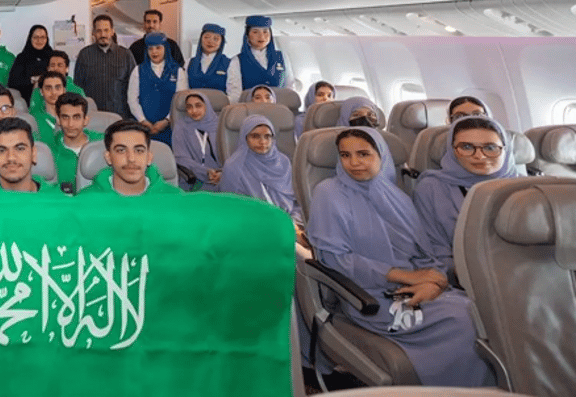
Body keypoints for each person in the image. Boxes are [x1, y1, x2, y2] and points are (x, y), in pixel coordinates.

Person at [307, 128, 495, 387]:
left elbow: (424, 252)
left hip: (413, 286)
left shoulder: (396, 196)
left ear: (382, 156)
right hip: (369, 295)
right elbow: (334, 259)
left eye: (364, 154)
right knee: (465, 320)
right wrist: (406, 276)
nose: (354, 162)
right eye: (345, 155)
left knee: (483, 312)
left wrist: (435, 281)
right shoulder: (328, 193)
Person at [413, 117, 516, 272]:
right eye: (466, 147)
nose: (479, 156)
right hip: (462, 274)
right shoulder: (431, 188)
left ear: (505, 149)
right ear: (452, 150)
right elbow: (433, 248)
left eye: (490, 147)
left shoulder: (525, 187)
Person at [219, 115, 303, 233]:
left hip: (288, 222)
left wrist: (292, 221)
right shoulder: (233, 166)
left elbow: (296, 202)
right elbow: (231, 208)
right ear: (245, 138)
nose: (263, 142)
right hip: (252, 227)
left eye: (267, 136)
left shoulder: (284, 162)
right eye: (255, 136)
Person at [85, 120, 178, 196]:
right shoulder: (84, 202)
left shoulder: (177, 200)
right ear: (108, 157)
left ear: (149, 158)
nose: (131, 159)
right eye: (121, 150)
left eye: (139, 151)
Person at [74, 14, 135, 117]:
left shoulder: (126, 55)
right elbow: (78, 86)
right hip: (93, 115)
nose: (103, 34)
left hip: (120, 115)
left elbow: (134, 87)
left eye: (106, 30)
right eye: (99, 31)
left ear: (112, 31)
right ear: (93, 33)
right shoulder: (84, 54)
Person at [127, 32, 179, 146]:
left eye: (158, 48)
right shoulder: (137, 70)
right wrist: (143, 120)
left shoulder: (178, 71)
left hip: (171, 127)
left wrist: (166, 121)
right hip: (144, 127)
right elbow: (132, 100)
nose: (154, 52)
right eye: (150, 49)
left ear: (165, 48)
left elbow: (180, 102)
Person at [0, 117, 57, 193]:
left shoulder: (57, 197)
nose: (11, 158)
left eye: (20, 149)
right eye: (1, 150)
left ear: (33, 153)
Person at [226, 16, 287, 102]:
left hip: (278, 107)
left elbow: (289, 86)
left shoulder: (281, 56)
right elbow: (235, 93)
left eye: (265, 32)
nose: (261, 36)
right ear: (247, 35)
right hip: (249, 107)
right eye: (255, 32)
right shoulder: (237, 60)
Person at [171, 92, 222, 191]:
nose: (193, 111)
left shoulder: (220, 124)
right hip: (195, 178)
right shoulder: (181, 127)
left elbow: (232, 155)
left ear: (207, 106)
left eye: (198, 106)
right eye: (189, 107)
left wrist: (223, 173)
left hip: (221, 177)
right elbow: (180, 158)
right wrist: (205, 172)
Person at [51, 93, 103, 188]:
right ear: (58, 120)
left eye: (76, 117)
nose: (70, 124)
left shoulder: (103, 145)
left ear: (85, 120)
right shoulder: (50, 150)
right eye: (65, 117)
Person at [177, 23, 229, 92]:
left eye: (216, 39)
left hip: (220, 99)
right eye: (206, 37)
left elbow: (233, 91)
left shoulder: (229, 64)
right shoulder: (188, 63)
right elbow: (182, 90)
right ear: (201, 39)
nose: (210, 41)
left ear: (221, 43)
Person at [7, 24, 52, 103]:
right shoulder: (22, 58)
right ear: (30, 38)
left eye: (42, 37)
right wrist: (32, 80)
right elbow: (12, 82)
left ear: (47, 39)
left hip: (51, 101)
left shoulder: (53, 57)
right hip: (27, 102)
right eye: (36, 37)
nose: (39, 40)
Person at [30, 71, 67, 146]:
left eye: (58, 87)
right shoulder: (33, 119)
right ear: (41, 92)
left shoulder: (74, 116)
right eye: (48, 88)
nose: (53, 92)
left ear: (64, 90)